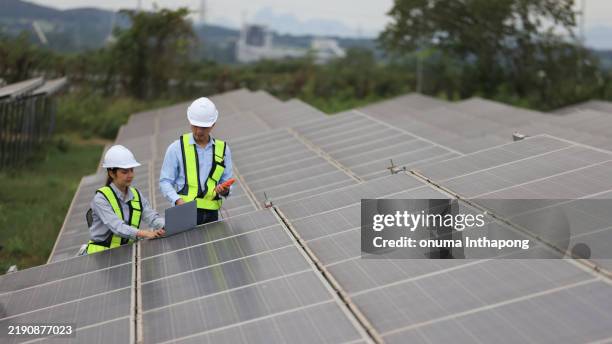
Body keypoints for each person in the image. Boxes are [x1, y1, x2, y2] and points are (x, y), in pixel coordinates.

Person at [159, 97, 233, 225]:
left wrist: (225, 190)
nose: (199, 131)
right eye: (195, 126)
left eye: (204, 127)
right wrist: (177, 200)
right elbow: (165, 181)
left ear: (213, 124)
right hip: (185, 211)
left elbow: (227, 182)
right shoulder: (176, 148)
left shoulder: (223, 150)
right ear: (189, 121)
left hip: (212, 213)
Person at [86, 145, 165, 254]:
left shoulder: (136, 195)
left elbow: (151, 217)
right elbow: (117, 227)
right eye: (125, 172)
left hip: (125, 253)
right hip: (101, 256)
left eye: (131, 170)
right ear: (111, 173)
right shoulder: (100, 199)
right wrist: (145, 233)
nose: (130, 175)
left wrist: (166, 225)